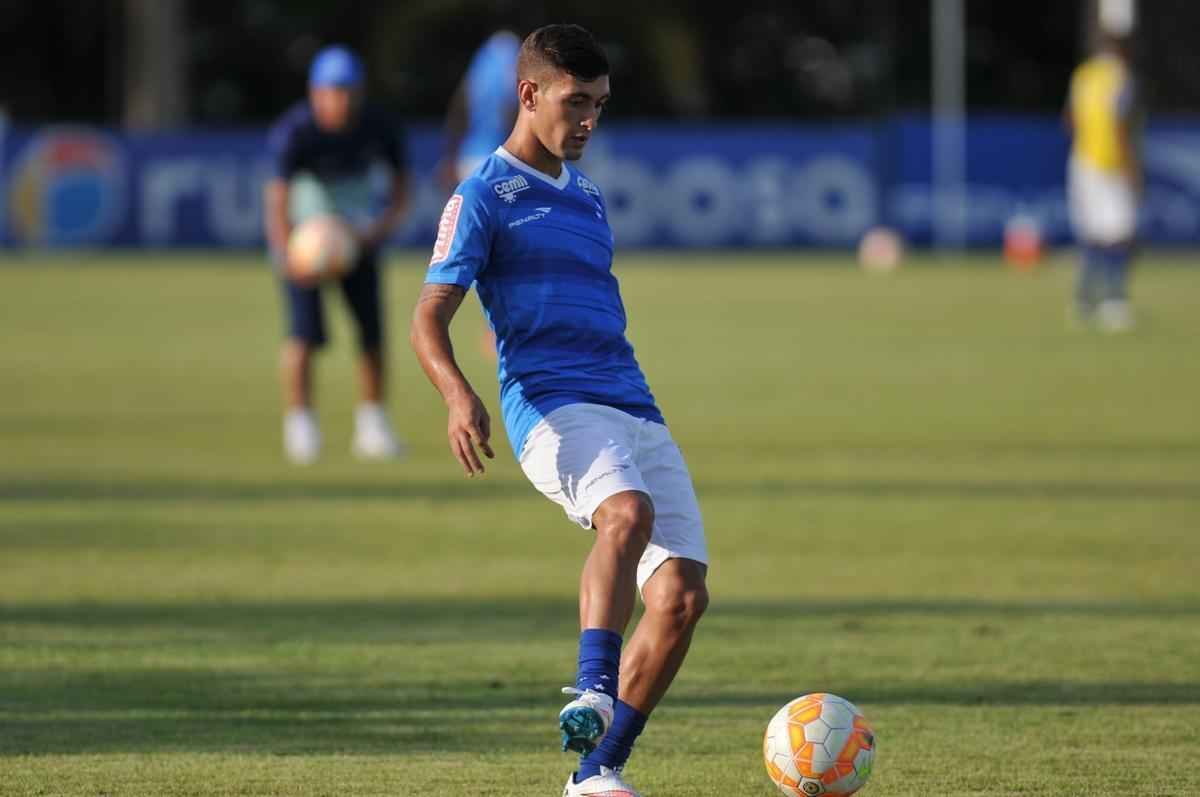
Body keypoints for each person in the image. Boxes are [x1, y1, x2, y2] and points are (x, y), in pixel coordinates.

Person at [410, 24, 708, 797]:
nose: (588, 121)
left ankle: (596, 771)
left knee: (680, 598)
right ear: (529, 93)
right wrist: (456, 394)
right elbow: (428, 315)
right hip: (549, 402)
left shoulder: (588, 195)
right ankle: (592, 689)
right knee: (626, 513)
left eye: (600, 106)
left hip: (632, 401)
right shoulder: (482, 194)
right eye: (576, 102)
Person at [264, 45, 409, 463]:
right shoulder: (295, 131)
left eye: (348, 91)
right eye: (331, 91)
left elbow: (401, 192)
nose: (340, 100)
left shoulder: (379, 127)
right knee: (302, 337)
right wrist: (285, 251)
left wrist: (375, 232)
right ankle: (301, 425)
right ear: (315, 93)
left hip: (357, 241)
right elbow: (276, 198)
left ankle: (373, 425)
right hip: (304, 245)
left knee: (371, 336)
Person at [1064, 32, 1142, 332]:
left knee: (1093, 233)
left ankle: (1084, 299)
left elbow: (1069, 119)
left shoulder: (1082, 76)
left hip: (1082, 161)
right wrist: (1130, 166)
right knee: (1119, 233)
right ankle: (1115, 301)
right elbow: (1120, 123)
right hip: (1110, 163)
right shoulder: (1121, 78)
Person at [437, 29, 522, 192]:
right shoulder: (512, 64)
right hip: (500, 161)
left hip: (468, 158)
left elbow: (458, 111)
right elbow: (512, 113)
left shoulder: (481, 64)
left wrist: (449, 157)